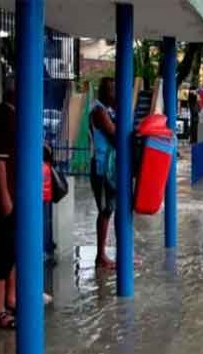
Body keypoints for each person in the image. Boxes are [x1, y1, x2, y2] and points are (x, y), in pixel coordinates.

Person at [0, 80, 17, 329]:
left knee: (10, 251)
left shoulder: (12, 116)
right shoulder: (2, 118)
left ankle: (10, 298)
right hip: (3, 200)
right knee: (1, 253)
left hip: (13, 195)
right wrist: (5, 199)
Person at [90, 77, 117, 269]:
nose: (113, 94)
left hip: (107, 166)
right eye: (110, 90)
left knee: (108, 209)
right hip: (101, 166)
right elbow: (115, 135)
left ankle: (103, 254)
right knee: (105, 209)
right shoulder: (99, 111)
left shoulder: (106, 110)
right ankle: (100, 255)